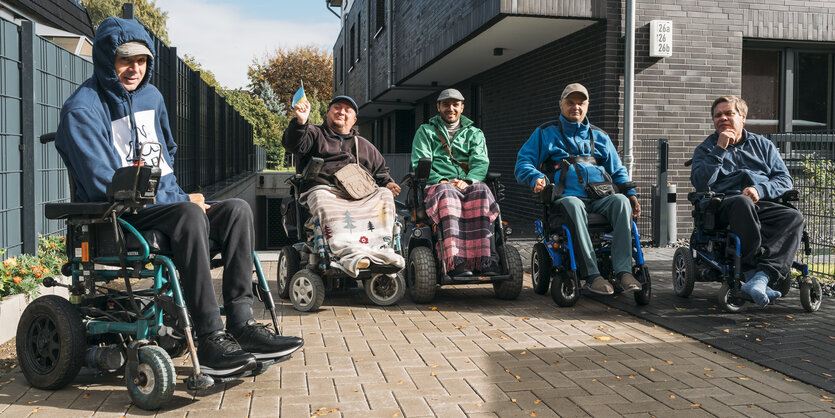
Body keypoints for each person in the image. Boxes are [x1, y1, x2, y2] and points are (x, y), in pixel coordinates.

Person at [55, 17, 303, 377]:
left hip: (164, 207)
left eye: (141, 61)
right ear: (108, 59)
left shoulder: (152, 97)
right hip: (121, 215)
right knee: (188, 216)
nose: (134, 69)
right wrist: (179, 203)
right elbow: (102, 184)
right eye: (125, 60)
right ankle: (210, 337)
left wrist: (181, 194)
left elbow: (164, 154)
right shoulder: (82, 109)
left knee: (237, 211)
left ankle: (241, 324)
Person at [515, 83, 642, 295]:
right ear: (560, 104)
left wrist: (631, 194)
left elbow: (618, 170)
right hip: (567, 197)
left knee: (620, 201)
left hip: (601, 196)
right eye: (570, 102)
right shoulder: (546, 133)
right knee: (573, 205)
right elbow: (523, 162)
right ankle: (592, 275)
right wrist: (535, 177)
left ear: (587, 106)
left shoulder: (600, 136)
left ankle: (624, 272)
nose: (576, 107)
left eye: (581, 103)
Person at [690, 95, 802, 307]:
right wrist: (719, 149)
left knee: (793, 216)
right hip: (723, 205)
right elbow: (701, 183)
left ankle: (762, 277)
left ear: (742, 117)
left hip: (760, 201)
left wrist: (760, 189)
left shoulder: (763, 146)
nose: (722, 118)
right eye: (717, 115)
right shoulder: (705, 149)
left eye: (728, 113)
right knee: (742, 203)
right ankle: (751, 273)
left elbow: (784, 178)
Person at [283, 95, 404, 275]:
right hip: (325, 191)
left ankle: (382, 251)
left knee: (385, 195)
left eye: (348, 110)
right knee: (321, 196)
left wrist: (388, 183)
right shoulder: (314, 134)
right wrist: (301, 122)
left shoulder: (364, 146)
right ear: (328, 113)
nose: (342, 112)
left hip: (359, 195)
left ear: (354, 119)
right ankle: (348, 254)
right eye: (337, 108)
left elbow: (381, 172)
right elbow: (292, 145)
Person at [410, 88, 498, 276]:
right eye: (446, 104)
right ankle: (455, 261)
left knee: (482, 191)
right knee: (447, 193)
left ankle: (486, 260)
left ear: (462, 108)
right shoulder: (426, 131)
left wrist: (468, 180)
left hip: (466, 183)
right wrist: (442, 179)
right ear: (438, 107)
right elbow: (420, 162)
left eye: (455, 104)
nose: (451, 108)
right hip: (438, 184)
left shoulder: (475, 133)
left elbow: (481, 162)